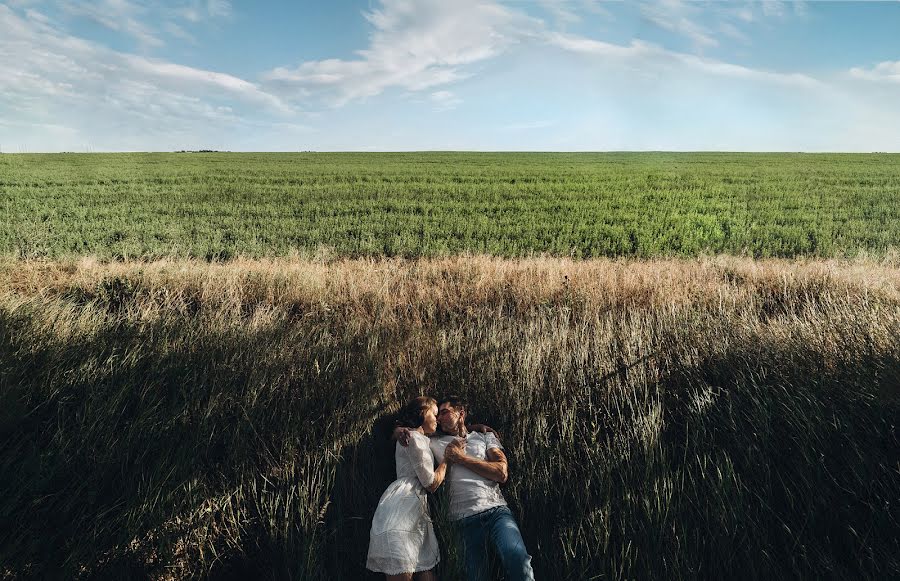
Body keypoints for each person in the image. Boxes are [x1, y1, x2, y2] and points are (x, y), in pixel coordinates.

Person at [398, 395, 534, 581]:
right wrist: (398, 431)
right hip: (461, 522)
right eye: (437, 415)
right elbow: (411, 433)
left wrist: (460, 457)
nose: (438, 418)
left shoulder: (484, 436)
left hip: (496, 512)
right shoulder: (434, 441)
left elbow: (501, 472)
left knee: (518, 561)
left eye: (444, 412)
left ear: (461, 413)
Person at [366, 396, 448, 580]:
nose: (438, 419)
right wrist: (447, 459)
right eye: (434, 414)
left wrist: (476, 428)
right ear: (421, 413)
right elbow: (431, 483)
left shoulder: (422, 437)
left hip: (414, 513)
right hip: (402, 509)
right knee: (404, 571)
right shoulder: (413, 437)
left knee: (425, 572)